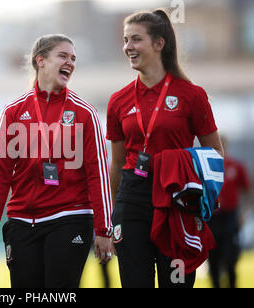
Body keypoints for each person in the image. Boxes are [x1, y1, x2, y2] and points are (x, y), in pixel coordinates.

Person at [0, 34, 114, 288]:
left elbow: (98, 175)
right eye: (63, 56)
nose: (70, 63)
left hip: (69, 218)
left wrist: (104, 228)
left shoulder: (86, 113)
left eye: (73, 58)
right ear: (41, 60)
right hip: (22, 223)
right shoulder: (13, 112)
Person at [106, 9, 224, 288]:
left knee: (176, 283)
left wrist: (193, 185)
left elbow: (216, 156)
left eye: (136, 39)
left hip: (176, 198)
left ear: (159, 43)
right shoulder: (118, 100)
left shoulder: (191, 95)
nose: (128, 47)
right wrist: (111, 215)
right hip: (132, 199)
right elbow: (117, 164)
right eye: (125, 40)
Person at [208, 136, 251, 288]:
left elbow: (248, 192)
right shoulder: (206, 167)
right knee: (213, 259)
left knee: (230, 258)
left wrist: (244, 213)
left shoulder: (235, 166)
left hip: (230, 217)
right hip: (212, 217)